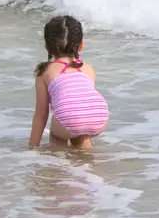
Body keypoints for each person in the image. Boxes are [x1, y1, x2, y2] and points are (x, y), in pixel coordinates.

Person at [29, 14, 109, 149]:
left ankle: (59, 164)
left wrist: (32, 146)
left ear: (47, 46)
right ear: (81, 45)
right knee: (80, 138)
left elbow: (41, 114)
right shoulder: (88, 69)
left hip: (70, 118)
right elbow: (83, 101)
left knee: (58, 136)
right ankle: (88, 163)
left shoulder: (45, 72)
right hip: (99, 115)